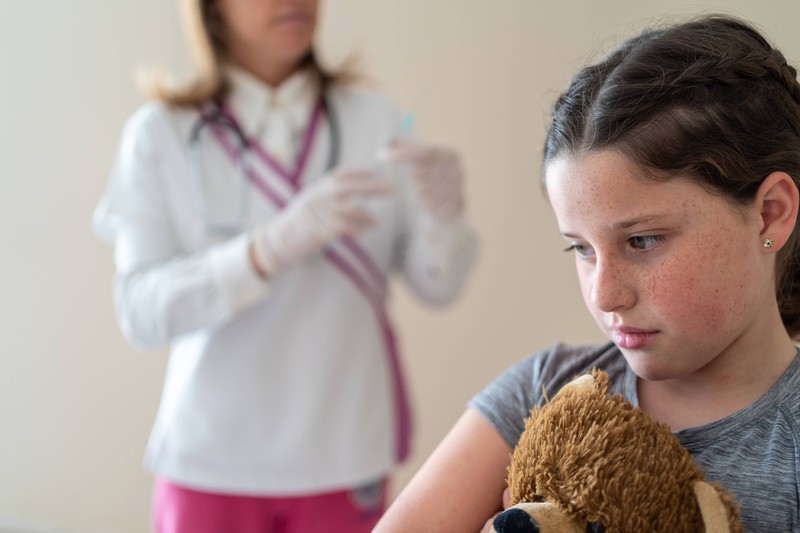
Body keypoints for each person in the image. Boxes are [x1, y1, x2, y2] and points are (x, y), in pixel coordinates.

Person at [374, 14, 800, 533]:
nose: (605, 294)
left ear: (771, 212)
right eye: (580, 248)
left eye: (642, 240)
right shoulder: (544, 391)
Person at [92, 0, 479, 531]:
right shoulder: (160, 133)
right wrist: (266, 250)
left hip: (344, 455)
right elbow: (140, 312)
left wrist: (445, 217)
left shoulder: (376, 119)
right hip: (212, 460)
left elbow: (439, 286)